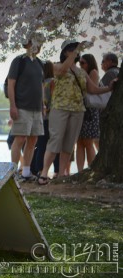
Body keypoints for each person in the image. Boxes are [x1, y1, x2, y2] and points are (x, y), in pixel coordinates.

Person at [38, 40, 115, 185]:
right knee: (55, 140)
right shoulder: (57, 66)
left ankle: (61, 175)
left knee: (69, 144)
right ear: (65, 51)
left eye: (76, 49)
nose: (76, 51)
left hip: (78, 110)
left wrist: (109, 88)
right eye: (72, 48)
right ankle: (44, 173)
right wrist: (74, 55)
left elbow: (93, 89)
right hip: (60, 108)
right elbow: (61, 71)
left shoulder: (81, 72)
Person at [7, 39, 44, 181]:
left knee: (33, 139)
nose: (39, 46)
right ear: (28, 44)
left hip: (37, 109)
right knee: (20, 138)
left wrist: (43, 105)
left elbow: (40, 85)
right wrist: (13, 105)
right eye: (36, 43)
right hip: (22, 106)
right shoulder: (19, 61)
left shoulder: (40, 63)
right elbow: (11, 84)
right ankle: (13, 172)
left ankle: (27, 172)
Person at [30, 61, 59, 177]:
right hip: (51, 117)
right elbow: (54, 99)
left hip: (40, 117)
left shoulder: (40, 83)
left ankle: (37, 169)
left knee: (40, 145)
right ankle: (56, 171)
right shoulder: (53, 82)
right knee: (54, 144)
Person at [76, 54, 100, 172]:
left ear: (89, 63)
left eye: (83, 63)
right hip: (81, 109)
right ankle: (80, 171)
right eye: (79, 63)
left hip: (89, 111)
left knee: (88, 143)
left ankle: (91, 170)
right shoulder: (82, 73)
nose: (80, 65)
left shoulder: (93, 72)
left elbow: (91, 90)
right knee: (79, 142)